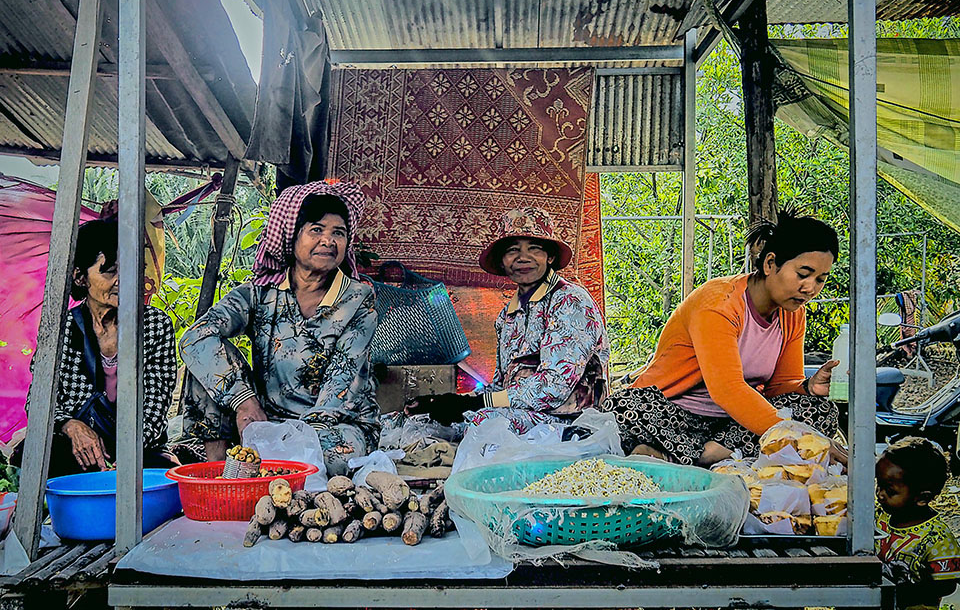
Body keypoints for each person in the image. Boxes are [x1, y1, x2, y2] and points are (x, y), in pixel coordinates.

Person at [601, 207, 841, 466]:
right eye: (803, 275)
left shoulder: (792, 314)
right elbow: (727, 390)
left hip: (732, 424)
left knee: (821, 411)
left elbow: (779, 386)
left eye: (820, 280)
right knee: (624, 410)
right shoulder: (718, 302)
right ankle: (718, 454)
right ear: (770, 264)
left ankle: (699, 456)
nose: (810, 288)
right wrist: (797, 437)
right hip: (673, 414)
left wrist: (807, 387)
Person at [179, 181, 379, 476]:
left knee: (335, 455)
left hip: (333, 424)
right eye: (316, 230)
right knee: (205, 362)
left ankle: (266, 466)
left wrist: (291, 439)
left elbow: (340, 386)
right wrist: (244, 402)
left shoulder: (358, 300)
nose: (328, 241)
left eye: (338, 232)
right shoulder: (259, 293)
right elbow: (195, 337)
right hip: (264, 419)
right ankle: (220, 472)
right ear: (291, 236)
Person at [407, 207, 609, 434]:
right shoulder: (507, 316)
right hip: (519, 413)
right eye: (513, 250)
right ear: (503, 262)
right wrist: (443, 401)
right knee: (421, 420)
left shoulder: (570, 301)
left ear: (550, 257)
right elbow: (499, 388)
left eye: (534, 248)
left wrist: (474, 404)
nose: (523, 258)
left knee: (482, 423)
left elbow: (554, 387)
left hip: (570, 421)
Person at [18, 219, 178, 477]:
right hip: (79, 448)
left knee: (162, 475)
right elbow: (39, 399)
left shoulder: (154, 325)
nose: (123, 280)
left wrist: (117, 454)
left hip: (138, 448)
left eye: (130, 268)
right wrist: (71, 426)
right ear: (81, 278)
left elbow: (154, 410)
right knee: (36, 454)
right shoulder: (63, 328)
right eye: (110, 271)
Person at [876, 437, 960, 610]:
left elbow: (946, 585)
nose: (880, 494)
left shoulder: (937, 538)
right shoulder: (881, 517)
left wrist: (906, 592)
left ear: (922, 498)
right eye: (878, 485)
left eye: (889, 490)